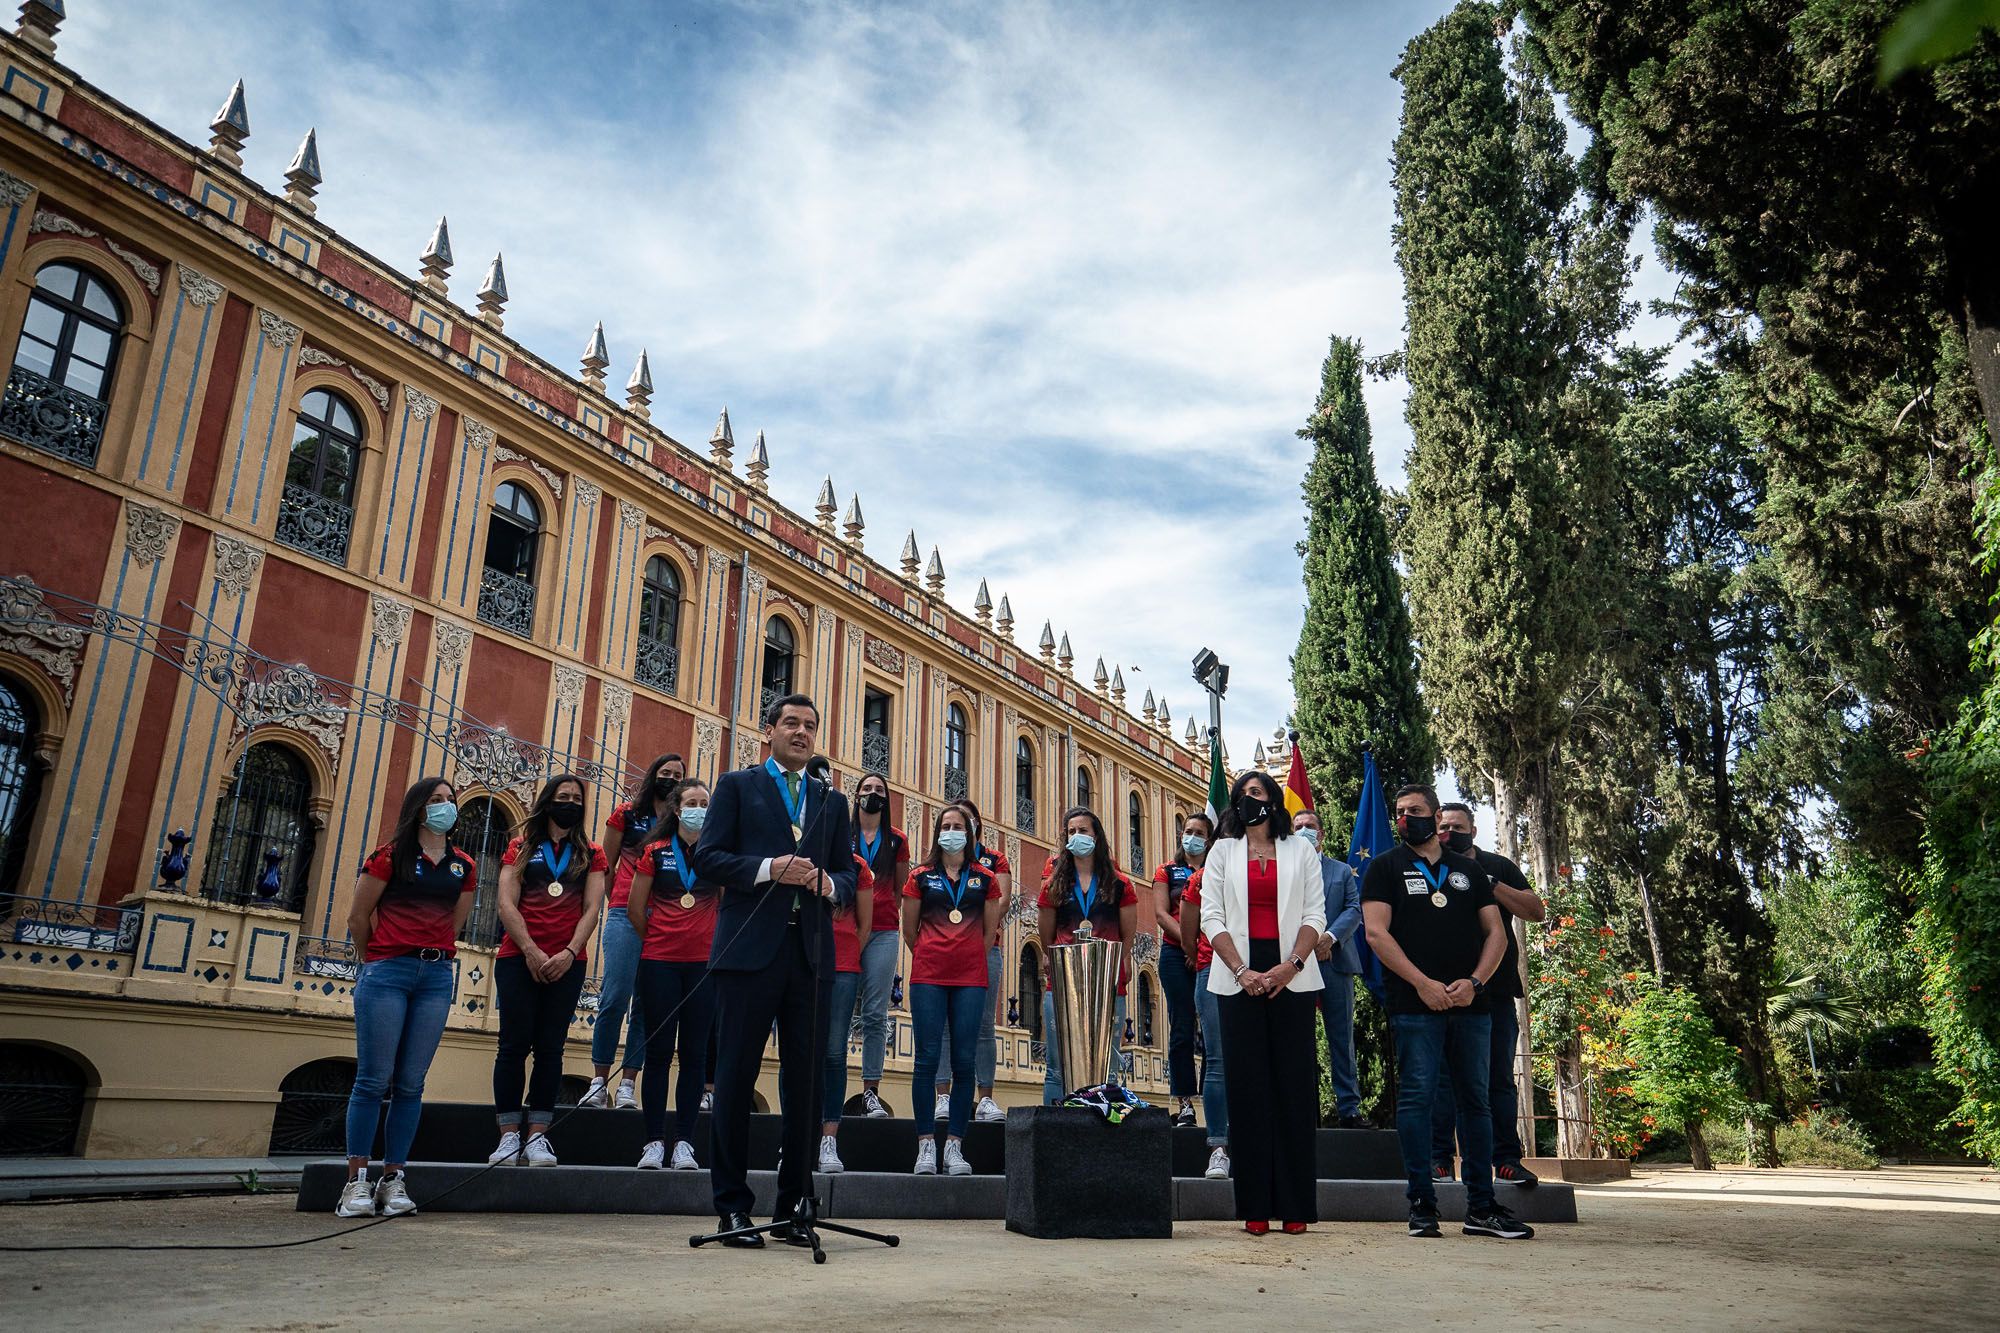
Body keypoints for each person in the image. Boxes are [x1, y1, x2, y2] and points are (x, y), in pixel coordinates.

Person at [692, 694, 856, 1248]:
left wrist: (827, 884)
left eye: (811, 725)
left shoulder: (831, 802)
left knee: (806, 1086)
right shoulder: (737, 787)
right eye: (792, 723)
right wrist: (770, 868)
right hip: (746, 955)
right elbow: (708, 858)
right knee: (735, 1080)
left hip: (810, 958)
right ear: (769, 732)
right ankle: (732, 1208)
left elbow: (849, 876)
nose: (802, 732)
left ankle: (793, 1208)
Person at [1360, 783, 1532, 1241]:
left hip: (1471, 1005)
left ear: (1436, 818)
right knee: (1418, 1099)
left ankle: (1481, 1207)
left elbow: (1496, 933)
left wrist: (1475, 982)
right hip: (1414, 1005)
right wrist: (1423, 984)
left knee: (1476, 1101)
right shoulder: (1383, 869)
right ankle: (1422, 1205)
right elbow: (1377, 934)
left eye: (1414, 810)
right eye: (1399, 812)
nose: (1404, 818)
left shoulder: (1469, 871)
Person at [336, 777, 478, 1218]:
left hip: (435, 976)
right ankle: (356, 1183)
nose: (445, 808)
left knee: (411, 1083)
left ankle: (393, 1178)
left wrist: (430, 954)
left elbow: (456, 924)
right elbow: (359, 917)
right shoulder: (387, 857)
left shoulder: (464, 866)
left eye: (450, 801)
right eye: (436, 801)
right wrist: (374, 961)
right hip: (388, 972)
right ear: (418, 808)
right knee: (373, 1080)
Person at [1200, 771, 1326, 1235]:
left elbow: (1316, 913)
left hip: (1292, 975)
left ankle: (1296, 1206)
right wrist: (1241, 970)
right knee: (1248, 1092)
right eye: (1241, 796)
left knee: (1294, 1091)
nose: (1247, 800)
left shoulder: (1301, 850)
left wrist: (1291, 965)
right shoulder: (1222, 851)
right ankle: (1254, 1205)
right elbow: (1211, 915)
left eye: (1255, 793)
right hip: (1237, 979)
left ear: (1273, 800)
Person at [488, 775, 609, 1168]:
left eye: (576, 798)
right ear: (548, 802)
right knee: (512, 1046)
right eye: (563, 797)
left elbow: (592, 909)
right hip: (517, 959)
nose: (570, 803)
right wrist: (531, 951)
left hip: (568, 963)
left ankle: (538, 1137)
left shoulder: (591, 853)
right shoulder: (520, 847)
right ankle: (508, 1137)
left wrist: (570, 952)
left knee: (551, 1049)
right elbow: (506, 903)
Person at [1431, 801, 1546, 1187]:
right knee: (1443, 1080)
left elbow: (1535, 910)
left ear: (1473, 831)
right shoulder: (1427, 867)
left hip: (1493, 993)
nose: (1449, 833)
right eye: (1443, 826)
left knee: (1498, 1079)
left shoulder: (1496, 866)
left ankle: (1507, 1159)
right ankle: (1440, 1159)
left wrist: (1490, 884)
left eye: (1457, 827)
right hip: (1441, 993)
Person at [627, 778, 720, 1172]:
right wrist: (663, 942)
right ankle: (653, 1142)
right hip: (660, 963)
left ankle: (684, 1142)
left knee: (695, 1056)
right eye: (693, 802)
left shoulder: (717, 858)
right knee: (659, 1054)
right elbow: (635, 909)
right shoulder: (655, 852)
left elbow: (727, 908)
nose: (700, 808)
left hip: (703, 968)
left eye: (705, 802)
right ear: (678, 810)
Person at [905, 805, 1003, 1174]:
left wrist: (965, 959)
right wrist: (934, 954)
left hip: (970, 978)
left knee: (964, 1063)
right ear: (937, 833)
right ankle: (926, 1146)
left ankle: (955, 1148)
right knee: (926, 1060)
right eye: (946, 826)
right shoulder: (919, 877)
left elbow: (989, 932)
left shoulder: (985, 879)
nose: (951, 831)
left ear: (969, 832)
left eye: (958, 826)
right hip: (928, 975)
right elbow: (909, 930)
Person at [586, 753, 686, 1110]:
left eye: (678, 775)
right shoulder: (626, 814)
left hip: (666, 922)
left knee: (648, 1005)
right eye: (665, 772)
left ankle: (628, 1083)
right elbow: (604, 863)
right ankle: (599, 1080)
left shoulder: (680, 821)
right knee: (615, 997)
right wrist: (621, 900)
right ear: (652, 774)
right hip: (625, 917)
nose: (671, 779)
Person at [1036, 806, 1138, 1104]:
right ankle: (1055, 1129)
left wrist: (1125, 958)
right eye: (1071, 832)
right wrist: (1048, 954)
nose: (1077, 836)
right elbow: (1046, 930)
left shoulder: (1120, 883)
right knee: (1057, 1066)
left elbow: (1126, 932)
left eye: (1083, 831)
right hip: (1064, 979)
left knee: (1107, 1067)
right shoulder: (1055, 883)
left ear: (1097, 836)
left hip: (1107, 980)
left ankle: (1104, 1132)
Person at [934, 798, 1010, 1125]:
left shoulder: (996, 861)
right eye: (951, 823)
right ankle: (942, 1098)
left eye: (965, 822)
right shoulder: (937, 864)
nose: (957, 829)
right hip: (946, 952)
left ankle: (986, 1100)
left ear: (975, 826)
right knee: (944, 1026)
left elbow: (1003, 902)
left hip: (984, 949)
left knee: (982, 1025)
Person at [1293, 809, 1368, 1128]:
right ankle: (1302, 1109)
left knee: (1341, 1038)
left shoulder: (1340, 871)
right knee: (1298, 1040)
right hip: (1295, 966)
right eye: (1297, 827)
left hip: (1335, 963)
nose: (1304, 831)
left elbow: (1354, 909)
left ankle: (1348, 1108)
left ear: (1321, 834)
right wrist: (1307, 945)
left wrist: (1329, 938)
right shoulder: (1285, 871)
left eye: (1310, 827)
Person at [849, 771, 908, 1118]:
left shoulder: (897, 841)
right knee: (838, 1013)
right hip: (844, 929)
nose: (873, 794)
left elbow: (900, 890)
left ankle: (871, 1090)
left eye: (879, 790)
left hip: (884, 931)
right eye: (866, 788)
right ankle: (829, 1086)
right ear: (856, 796)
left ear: (886, 801)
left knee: (875, 1013)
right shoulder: (842, 836)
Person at [1152, 812, 1213, 1128]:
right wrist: (1190, 945)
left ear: (1209, 838)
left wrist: (1201, 947)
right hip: (1177, 956)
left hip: (1211, 955)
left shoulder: (1217, 870)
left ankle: (1215, 1098)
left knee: (1213, 1027)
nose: (1192, 836)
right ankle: (1185, 1102)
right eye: (1188, 831)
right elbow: (1162, 915)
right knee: (1182, 1027)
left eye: (1199, 832)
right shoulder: (1166, 871)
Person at [817, 849, 875, 1173]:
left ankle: (829, 1139)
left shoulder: (858, 867)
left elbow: (865, 927)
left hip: (843, 968)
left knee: (835, 1054)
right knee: (800, 1053)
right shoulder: (805, 855)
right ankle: (795, 1135)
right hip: (804, 964)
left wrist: (846, 952)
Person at [1177, 868, 1231, 1180]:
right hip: (1212, 968)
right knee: (1217, 1059)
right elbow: (1188, 934)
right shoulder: (1201, 878)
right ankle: (1218, 1148)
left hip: (1258, 969)